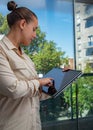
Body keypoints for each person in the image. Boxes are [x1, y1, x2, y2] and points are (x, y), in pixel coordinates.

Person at [0, 1, 53, 130]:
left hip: (33, 125)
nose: (35, 35)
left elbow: (33, 93)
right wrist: (39, 82)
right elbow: (13, 89)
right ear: (23, 24)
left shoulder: (26, 58)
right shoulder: (1, 51)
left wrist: (56, 86)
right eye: (34, 29)